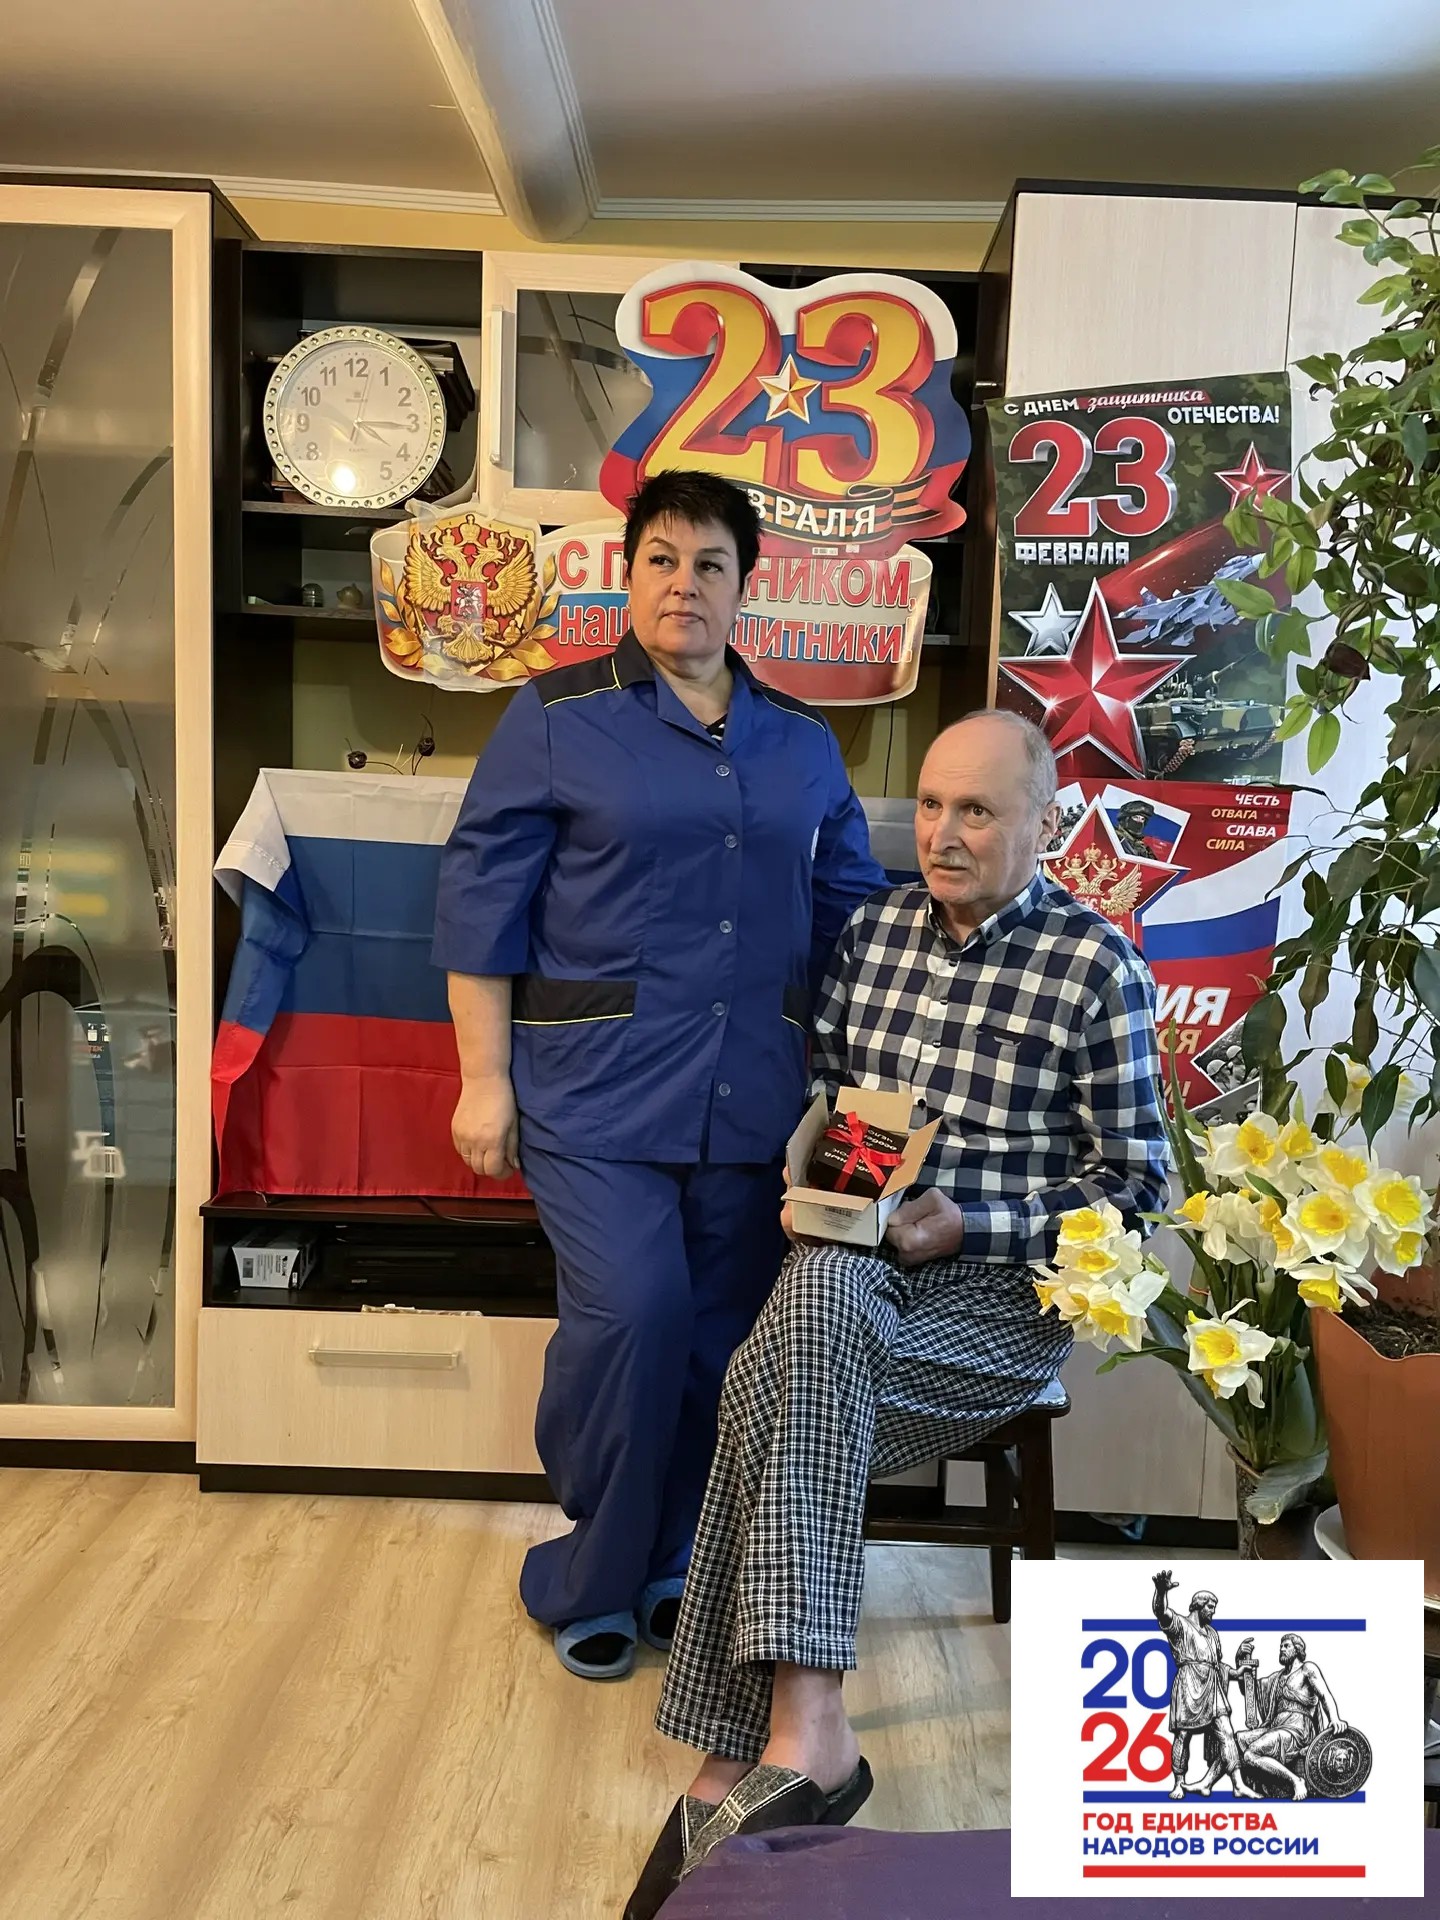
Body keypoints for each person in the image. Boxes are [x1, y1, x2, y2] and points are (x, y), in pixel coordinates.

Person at [625, 708, 1169, 1917]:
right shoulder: (872, 935)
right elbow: (835, 1093)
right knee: (821, 1288)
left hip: (1001, 1297)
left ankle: (741, 1747)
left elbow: (1139, 1192)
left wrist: (971, 1224)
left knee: (766, 1372)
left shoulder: (1098, 966)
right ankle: (801, 1727)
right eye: (929, 805)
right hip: (859, 1262)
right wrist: (814, 1173)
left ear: (1044, 823)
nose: (943, 833)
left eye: (977, 810)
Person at [432, 470, 888, 1682]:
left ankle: (681, 1562)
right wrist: (484, 1081)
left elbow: (853, 918)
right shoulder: (557, 715)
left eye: (711, 565)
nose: (685, 585)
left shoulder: (803, 745)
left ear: (746, 588)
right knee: (633, 1318)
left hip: (755, 1103)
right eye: (662, 561)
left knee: (721, 1343)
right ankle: (590, 1573)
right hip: (594, 1096)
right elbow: (480, 907)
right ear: (628, 576)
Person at [1200, 1631, 1348, 1800]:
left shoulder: (1307, 1669)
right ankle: (1207, 1783)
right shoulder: (1277, 1678)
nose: (1282, 1649)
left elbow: (1324, 1695)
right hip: (1276, 1726)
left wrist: (1334, 1718)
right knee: (1235, 1740)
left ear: (1297, 1649)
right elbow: (1249, 1690)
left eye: (1286, 1646)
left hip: (1297, 1729)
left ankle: (1296, 1781)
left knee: (1250, 1755)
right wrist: (1240, 1659)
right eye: (1281, 1646)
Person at [1152, 1573, 1259, 1800]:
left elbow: (1217, 1665)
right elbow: (1161, 1612)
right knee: (1183, 1735)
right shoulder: (1180, 1625)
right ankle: (1179, 1782)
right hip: (1189, 1684)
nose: (1213, 1612)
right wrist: (1161, 1592)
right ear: (1198, 1605)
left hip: (1213, 1687)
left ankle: (1238, 1784)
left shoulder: (1212, 1633)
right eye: (1210, 1607)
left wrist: (1236, 1672)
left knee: (1227, 1732)